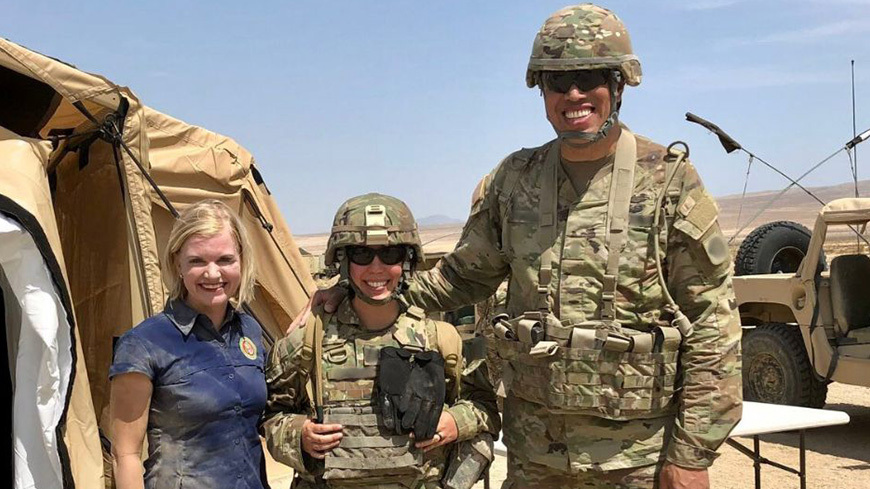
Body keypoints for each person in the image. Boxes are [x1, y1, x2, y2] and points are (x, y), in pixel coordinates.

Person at [300, 4, 742, 489]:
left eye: (589, 76)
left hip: (637, 457)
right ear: (542, 90)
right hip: (537, 454)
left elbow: (712, 323)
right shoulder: (516, 180)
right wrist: (364, 289)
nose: (573, 94)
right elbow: (461, 277)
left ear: (618, 84)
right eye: (557, 81)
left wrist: (692, 454)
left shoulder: (670, 182)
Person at [262, 193, 500, 489]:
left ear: (407, 261)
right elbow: (269, 416)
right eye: (362, 255)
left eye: (390, 255)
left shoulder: (440, 340)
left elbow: (485, 409)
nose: (376, 268)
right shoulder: (306, 343)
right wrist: (299, 435)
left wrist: (455, 422)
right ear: (343, 261)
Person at [109, 199, 267, 489]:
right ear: (177, 264)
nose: (212, 274)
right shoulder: (144, 344)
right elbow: (125, 454)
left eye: (225, 260)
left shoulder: (250, 331)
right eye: (197, 261)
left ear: (242, 262)